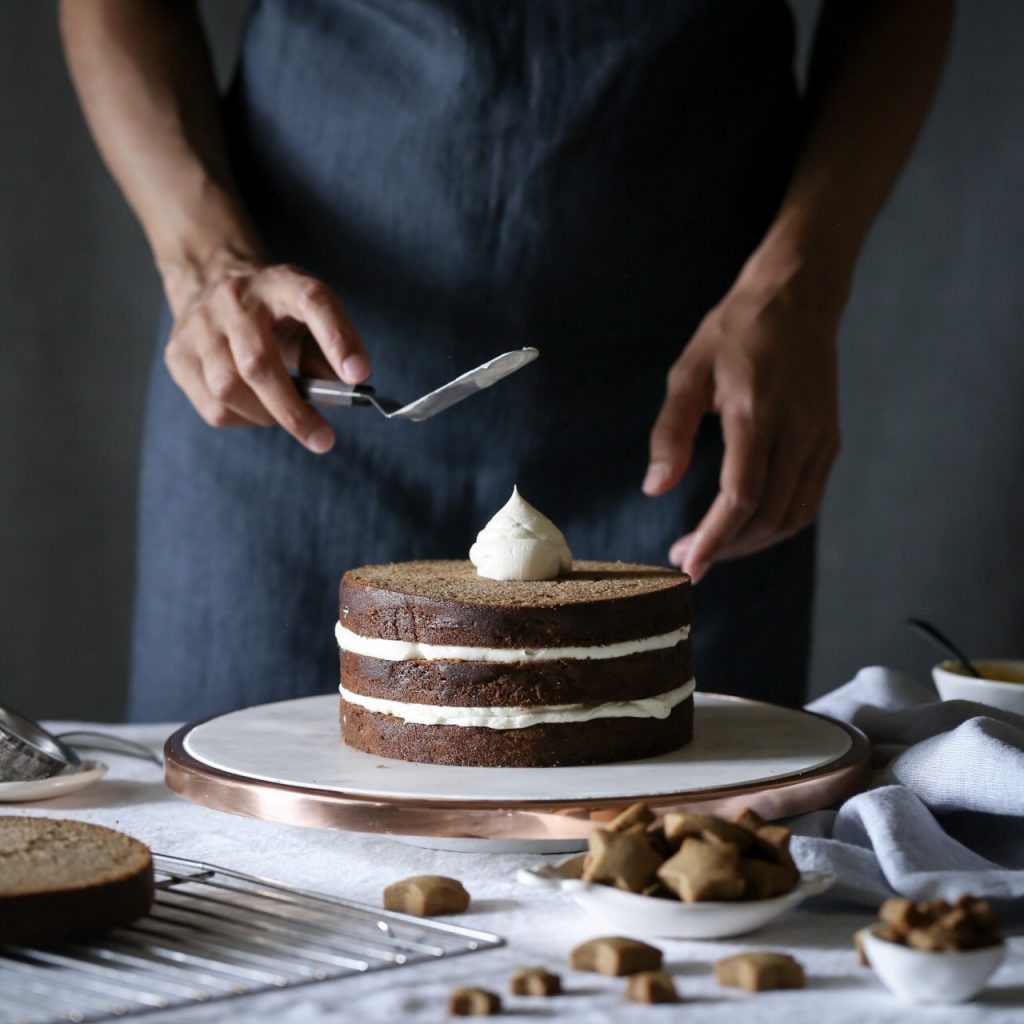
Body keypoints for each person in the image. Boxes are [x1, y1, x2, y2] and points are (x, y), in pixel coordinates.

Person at [60, 0, 951, 721]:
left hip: (688, 398)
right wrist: (205, 259)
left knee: (672, 870)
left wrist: (801, 283)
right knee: (237, 871)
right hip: (290, 392)